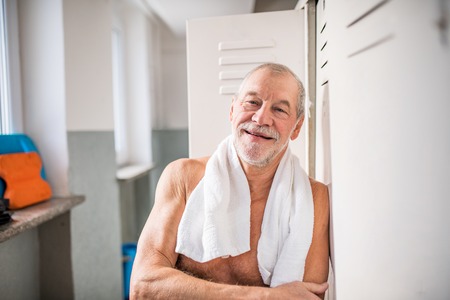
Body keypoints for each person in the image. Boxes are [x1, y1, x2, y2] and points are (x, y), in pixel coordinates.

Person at [130, 63, 330, 299]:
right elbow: (142, 286)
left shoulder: (313, 199)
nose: (261, 118)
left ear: (296, 128)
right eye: (252, 102)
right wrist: (266, 296)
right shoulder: (182, 178)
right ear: (232, 110)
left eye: (279, 110)